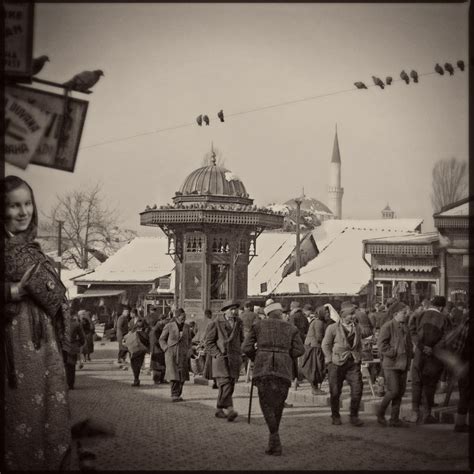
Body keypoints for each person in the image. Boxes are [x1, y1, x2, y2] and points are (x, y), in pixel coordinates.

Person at [3, 176, 73, 469]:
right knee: (21, 416)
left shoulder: (30, 247)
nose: (23, 212)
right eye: (13, 205)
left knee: (48, 414)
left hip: (42, 344)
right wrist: (13, 291)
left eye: (27, 203)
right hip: (14, 346)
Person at [242, 301, 305, 455]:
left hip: (263, 368)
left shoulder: (258, 326)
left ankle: (274, 436)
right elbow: (300, 349)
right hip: (283, 370)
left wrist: (256, 357)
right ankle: (274, 439)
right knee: (278, 404)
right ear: (280, 314)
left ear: (268, 314)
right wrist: (286, 355)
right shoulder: (291, 328)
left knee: (265, 403)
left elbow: (246, 348)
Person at [322, 303, 371, 426]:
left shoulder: (357, 328)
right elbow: (325, 345)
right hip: (336, 363)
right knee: (335, 391)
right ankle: (335, 416)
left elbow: (358, 344)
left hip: (353, 363)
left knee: (357, 389)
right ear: (343, 316)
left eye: (354, 314)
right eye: (351, 314)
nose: (354, 316)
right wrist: (330, 359)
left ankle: (354, 416)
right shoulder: (332, 328)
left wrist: (358, 356)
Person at [404, 295, 449, 424]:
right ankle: (427, 414)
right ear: (441, 307)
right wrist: (432, 348)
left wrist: (421, 346)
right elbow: (447, 337)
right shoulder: (444, 318)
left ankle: (414, 414)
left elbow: (411, 331)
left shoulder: (418, 315)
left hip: (419, 354)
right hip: (434, 357)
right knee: (430, 384)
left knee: (417, 383)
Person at [204, 300, 243, 421]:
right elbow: (208, 342)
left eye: (235, 309)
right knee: (225, 384)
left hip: (234, 359)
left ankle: (219, 409)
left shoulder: (239, 322)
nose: (234, 311)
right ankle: (230, 409)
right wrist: (217, 354)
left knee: (230, 385)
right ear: (225, 310)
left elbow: (241, 339)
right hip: (221, 360)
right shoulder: (216, 323)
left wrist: (241, 351)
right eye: (231, 309)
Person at [376, 302, 413, 427]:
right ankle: (380, 414)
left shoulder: (405, 327)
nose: (406, 315)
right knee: (393, 391)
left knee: (400, 392)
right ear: (396, 314)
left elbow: (408, 344)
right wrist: (394, 352)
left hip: (403, 364)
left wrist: (410, 355)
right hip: (391, 364)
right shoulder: (387, 326)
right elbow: (381, 346)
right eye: (404, 313)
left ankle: (394, 419)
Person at [159, 308, 193, 401]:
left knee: (182, 375)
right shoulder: (169, 326)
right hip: (171, 352)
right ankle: (174, 394)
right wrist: (165, 348)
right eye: (182, 317)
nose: (184, 318)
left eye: (185, 317)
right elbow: (161, 339)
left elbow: (190, 340)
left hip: (183, 353)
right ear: (177, 317)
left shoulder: (187, 327)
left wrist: (190, 349)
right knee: (173, 374)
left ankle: (178, 394)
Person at [301, 305, 327, 395]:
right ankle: (315, 389)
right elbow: (319, 337)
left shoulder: (318, 321)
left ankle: (315, 388)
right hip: (314, 347)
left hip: (313, 346)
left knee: (314, 368)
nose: (328, 314)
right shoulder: (318, 322)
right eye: (326, 313)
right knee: (315, 368)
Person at [62, 313, 86, 390]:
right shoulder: (76, 324)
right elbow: (82, 338)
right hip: (72, 347)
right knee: (72, 366)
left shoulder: (60, 323)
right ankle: (71, 384)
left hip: (63, 347)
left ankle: (64, 383)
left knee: (64, 365)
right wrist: (78, 343)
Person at [127, 318, 150, 387]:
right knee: (138, 365)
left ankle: (136, 379)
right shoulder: (145, 334)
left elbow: (127, 341)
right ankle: (136, 379)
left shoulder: (133, 333)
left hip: (133, 351)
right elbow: (147, 343)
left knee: (134, 366)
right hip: (141, 351)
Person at [149, 314, 168, 384]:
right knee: (157, 365)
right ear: (161, 320)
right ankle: (156, 379)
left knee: (162, 364)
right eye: (165, 320)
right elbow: (155, 340)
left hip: (160, 348)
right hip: (157, 349)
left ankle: (162, 379)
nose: (167, 321)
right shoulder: (156, 329)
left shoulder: (161, 327)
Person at [202, 310, 218, 389]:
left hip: (206, 344)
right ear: (210, 315)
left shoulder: (202, 321)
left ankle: (214, 381)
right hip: (212, 345)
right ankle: (215, 381)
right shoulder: (212, 323)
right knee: (214, 364)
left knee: (209, 364)